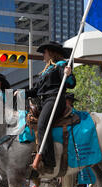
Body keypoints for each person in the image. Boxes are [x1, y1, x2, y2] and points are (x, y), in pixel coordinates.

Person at [23, 41, 75, 172]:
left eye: (44, 52)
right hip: (42, 101)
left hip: (55, 99)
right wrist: (18, 92)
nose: (42, 56)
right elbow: (34, 91)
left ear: (51, 53)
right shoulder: (45, 71)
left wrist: (69, 75)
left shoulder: (61, 65)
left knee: (42, 125)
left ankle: (49, 162)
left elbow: (72, 83)